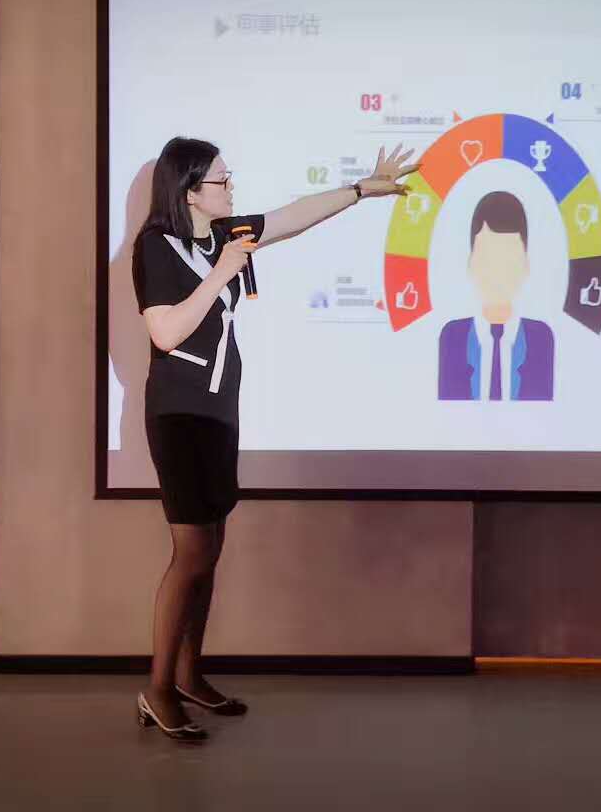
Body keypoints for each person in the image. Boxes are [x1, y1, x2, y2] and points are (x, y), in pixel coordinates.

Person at [132, 136, 416, 740]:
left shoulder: (227, 234)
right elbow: (165, 334)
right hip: (179, 414)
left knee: (211, 547)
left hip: (218, 410)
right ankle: (156, 690)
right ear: (189, 190)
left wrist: (361, 190)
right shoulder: (156, 247)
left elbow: (292, 217)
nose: (231, 187)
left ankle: (188, 675)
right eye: (221, 179)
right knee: (191, 552)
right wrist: (220, 274)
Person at [437, 191, 555, 401]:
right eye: (487, 257)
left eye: (509, 258)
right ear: (470, 263)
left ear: (526, 265)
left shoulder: (540, 338)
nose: (497, 271)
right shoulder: (453, 337)